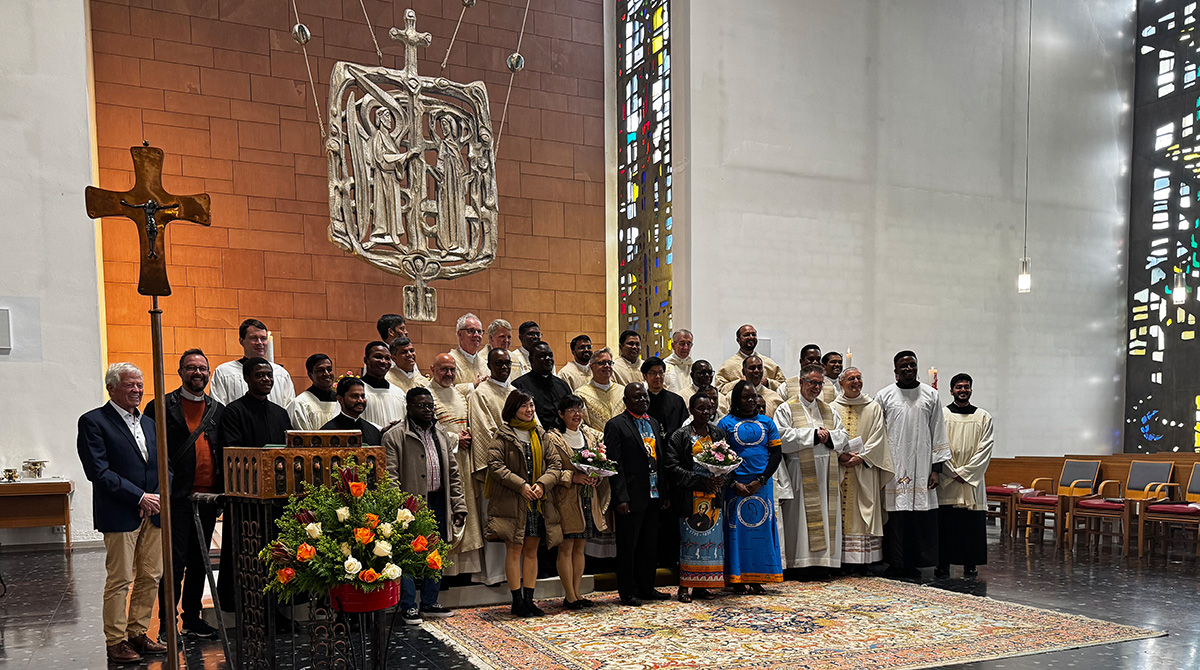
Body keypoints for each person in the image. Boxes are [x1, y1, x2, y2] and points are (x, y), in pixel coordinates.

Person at [77, 363, 166, 664]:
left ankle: (137, 632)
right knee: (119, 580)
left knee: (151, 576)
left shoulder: (150, 423)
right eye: (130, 385)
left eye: (140, 384)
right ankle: (115, 641)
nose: (137, 390)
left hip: (152, 513)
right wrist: (138, 496)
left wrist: (156, 496)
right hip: (120, 513)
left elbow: (161, 465)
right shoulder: (93, 422)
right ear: (111, 387)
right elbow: (98, 472)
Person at [145, 350, 223, 641]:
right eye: (191, 368)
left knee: (199, 562)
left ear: (208, 372)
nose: (197, 373)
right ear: (180, 372)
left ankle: (192, 619)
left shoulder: (217, 409)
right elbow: (152, 452)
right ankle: (168, 625)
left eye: (202, 368)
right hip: (176, 499)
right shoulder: (161, 407)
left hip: (207, 499)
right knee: (174, 565)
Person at [214, 357, 293, 612]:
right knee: (249, 557)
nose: (266, 380)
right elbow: (232, 452)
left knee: (279, 556)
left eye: (269, 375)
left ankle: (277, 611)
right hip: (248, 499)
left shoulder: (280, 414)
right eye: (260, 375)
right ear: (247, 379)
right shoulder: (234, 411)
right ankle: (249, 610)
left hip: (278, 500)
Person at [382, 387, 466, 624]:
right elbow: (390, 476)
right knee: (407, 554)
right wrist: (399, 509)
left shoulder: (441, 433)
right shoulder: (395, 436)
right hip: (408, 506)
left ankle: (430, 602)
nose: (428, 410)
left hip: (438, 500)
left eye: (430, 405)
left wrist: (458, 505)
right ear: (408, 408)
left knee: (435, 553)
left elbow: (453, 472)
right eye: (421, 406)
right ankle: (408, 605)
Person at [487, 391, 564, 617]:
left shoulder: (540, 434)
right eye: (524, 406)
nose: (530, 410)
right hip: (513, 501)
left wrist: (542, 484)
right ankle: (516, 600)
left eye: (531, 405)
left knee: (532, 550)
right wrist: (521, 485)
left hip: (537, 502)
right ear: (512, 409)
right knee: (514, 549)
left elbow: (555, 464)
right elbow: (495, 465)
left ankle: (530, 599)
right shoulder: (503, 435)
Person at [875, 350, 951, 579]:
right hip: (894, 465)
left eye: (912, 365)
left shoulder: (930, 395)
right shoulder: (884, 395)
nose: (909, 369)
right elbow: (878, 432)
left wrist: (936, 470)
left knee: (917, 517)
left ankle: (913, 562)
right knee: (895, 517)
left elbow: (938, 431)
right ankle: (893, 562)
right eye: (904, 366)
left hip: (922, 466)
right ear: (896, 370)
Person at [774, 364, 849, 572]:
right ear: (801, 382)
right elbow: (780, 437)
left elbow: (843, 437)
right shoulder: (786, 408)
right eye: (812, 382)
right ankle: (800, 564)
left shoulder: (829, 409)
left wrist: (829, 437)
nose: (816, 387)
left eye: (819, 383)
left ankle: (824, 564)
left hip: (827, 473)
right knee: (800, 521)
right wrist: (814, 436)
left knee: (825, 517)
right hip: (799, 470)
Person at [605, 383, 671, 606]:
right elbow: (615, 465)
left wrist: (664, 492)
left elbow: (659, 461)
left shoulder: (653, 422)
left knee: (649, 545)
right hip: (631, 496)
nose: (642, 400)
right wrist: (620, 497)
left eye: (644, 397)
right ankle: (627, 591)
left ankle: (647, 587)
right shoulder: (616, 425)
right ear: (625, 401)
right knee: (628, 546)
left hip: (653, 493)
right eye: (636, 398)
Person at [545, 395, 610, 609]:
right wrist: (572, 477)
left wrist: (596, 475)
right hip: (565, 499)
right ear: (561, 414)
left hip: (588, 497)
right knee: (566, 547)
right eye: (571, 410)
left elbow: (601, 463)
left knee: (580, 547)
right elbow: (549, 469)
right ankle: (569, 595)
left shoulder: (590, 436)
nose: (577, 414)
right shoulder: (553, 437)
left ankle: (578, 593)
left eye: (579, 409)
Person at [719, 380, 784, 592]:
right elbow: (719, 456)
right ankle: (736, 578)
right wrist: (733, 482)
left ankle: (758, 578)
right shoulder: (725, 424)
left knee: (760, 529)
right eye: (746, 397)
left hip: (761, 485)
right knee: (735, 531)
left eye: (753, 396)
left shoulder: (767, 422)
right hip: (735, 486)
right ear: (736, 400)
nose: (751, 401)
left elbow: (776, 454)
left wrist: (762, 480)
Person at [663, 393, 727, 602]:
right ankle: (684, 587)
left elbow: (728, 461)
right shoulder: (679, 436)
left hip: (713, 499)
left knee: (710, 542)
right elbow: (672, 467)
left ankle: (703, 585)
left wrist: (720, 479)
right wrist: (701, 482)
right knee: (689, 541)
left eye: (709, 408)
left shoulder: (718, 433)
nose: (706, 412)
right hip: (689, 498)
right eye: (701, 408)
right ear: (691, 410)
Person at [830, 367, 893, 572]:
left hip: (864, 469)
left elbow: (879, 437)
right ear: (841, 383)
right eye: (851, 379)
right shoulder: (832, 408)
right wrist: (840, 455)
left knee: (862, 511)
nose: (856, 382)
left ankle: (862, 560)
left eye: (859, 377)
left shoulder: (873, 407)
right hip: (839, 468)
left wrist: (862, 458)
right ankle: (839, 559)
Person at [427, 353, 483, 576]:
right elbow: (426, 430)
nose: (449, 374)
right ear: (432, 368)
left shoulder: (459, 394)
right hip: (440, 463)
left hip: (463, 461)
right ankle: (444, 573)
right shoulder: (428, 395)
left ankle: (464, 572)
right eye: (444, 370)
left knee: (465, 511)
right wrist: (454, 439)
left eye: (452, 370)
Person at [465, 348, 516, 585]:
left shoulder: (516, 393)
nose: (504, 367)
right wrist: (509, 457)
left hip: (520, 468)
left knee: (517, 523)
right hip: (498, 469)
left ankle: (515, 574)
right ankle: (494, 574)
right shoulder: (480, 394)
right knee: (495, 520)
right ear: (489, 365)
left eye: (507, 363)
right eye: (499, 363)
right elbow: (484, 431)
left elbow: (532, 425)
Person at [936, 373, 994, 579]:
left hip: (971, 480)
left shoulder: (983, 417)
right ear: (951, 391)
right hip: (948, 479)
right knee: (946, 525)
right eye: (958, 387)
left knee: (971, 526)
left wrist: (966, 472)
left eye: (966, 387)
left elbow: (985, 448)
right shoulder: (941, 415)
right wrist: (952, 471)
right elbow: (938, 445)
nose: (963, 390)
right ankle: (943, 564)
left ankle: (970, 564)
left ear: (971, 390)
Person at [210, 318, 295, 406]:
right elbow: (217, 407)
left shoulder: (281, 374)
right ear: (241, 341)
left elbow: (289, 408)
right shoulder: (224, 372)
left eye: (263, 338)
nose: (259, 343)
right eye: (254, 338)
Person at [512, 341, 573, 431]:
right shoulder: (519, 386)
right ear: (531, 359)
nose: (548, 358)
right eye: (542, 356)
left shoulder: (562, 385)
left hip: (564, 437)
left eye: (550, 355)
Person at [715, 325, 785, 393]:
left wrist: (768, 383)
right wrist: (739, 383)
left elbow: (784, 387)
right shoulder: (728, 365)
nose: (751, 337)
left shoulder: (769, 363)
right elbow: (720, 390)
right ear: (738, 340)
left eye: (753, 335)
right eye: (746, 335)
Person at [575, 347, 626, 431]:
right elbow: (580, 424)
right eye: (602, 363)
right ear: (591, 367)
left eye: (609, 363)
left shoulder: (622, 391)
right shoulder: (580, 394)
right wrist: (603, 437)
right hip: (596, 441)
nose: (607, 366)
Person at [321, 377, 383, 445]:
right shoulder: (327, 432)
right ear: (340, 399)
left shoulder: (373, 431)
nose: (361, 400)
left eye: (362, 396)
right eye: (354, 396)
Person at [359, 341, 407, 430]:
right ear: (366, 360)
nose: (383, 361)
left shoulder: (398, 393)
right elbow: (349, 419)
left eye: (387, 358)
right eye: (378, 357)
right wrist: (380, 430)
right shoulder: (355, 391)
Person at [718, 355, 784, 417]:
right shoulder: (731, 396)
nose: (756, 371)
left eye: (759, 368)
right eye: (752, 368)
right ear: (743, 372)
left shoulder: (775, 398)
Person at [287, 353, 339, 430]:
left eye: (329, 369)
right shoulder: (300, 403)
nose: (327, 373)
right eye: (320, 370)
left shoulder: (341, 401)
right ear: (310, 375)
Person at [644, 356, 688, 438]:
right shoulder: (642, 402)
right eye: (653, 373)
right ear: (645, 376)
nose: (658, 377)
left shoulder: (677, 401)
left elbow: (685, 427)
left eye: (661, 373)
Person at [449, 313, 488, 385]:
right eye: (471, 331)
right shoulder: (449, 362)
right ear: (460, 334)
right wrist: (472, 386)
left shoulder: (485, 364)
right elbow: (446, 391)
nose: (476, 335)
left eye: (479, 332)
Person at [662, 329, 694, 393]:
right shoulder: (664, 366)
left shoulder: (693, 367)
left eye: (689, 344)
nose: (686, 348)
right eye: (682, 344)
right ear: (673, 346)